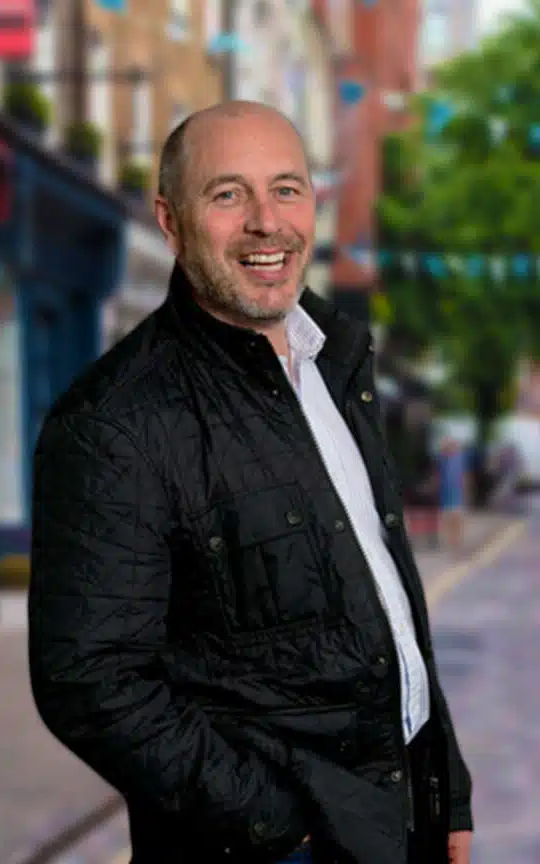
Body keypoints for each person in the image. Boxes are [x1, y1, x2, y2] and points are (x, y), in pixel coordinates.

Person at [28, 101, 473, 864]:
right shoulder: (115, 422)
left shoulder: (337, 361)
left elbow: (389, 600)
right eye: (228, 194)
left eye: (286, 189)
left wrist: (445, 792)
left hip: (401, 813)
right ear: (170, 222)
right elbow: (90, 680)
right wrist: (279, 825)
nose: (267, 223)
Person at [437, 437, 468, 554]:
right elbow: (439, 478)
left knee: (456, 519)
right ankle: (453, 543)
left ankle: (456, 543)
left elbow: (464, 477)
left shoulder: (459, 460)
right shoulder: (442, 461)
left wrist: (466, 493)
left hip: (456, 494)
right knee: (448, 519)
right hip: (445, 495)